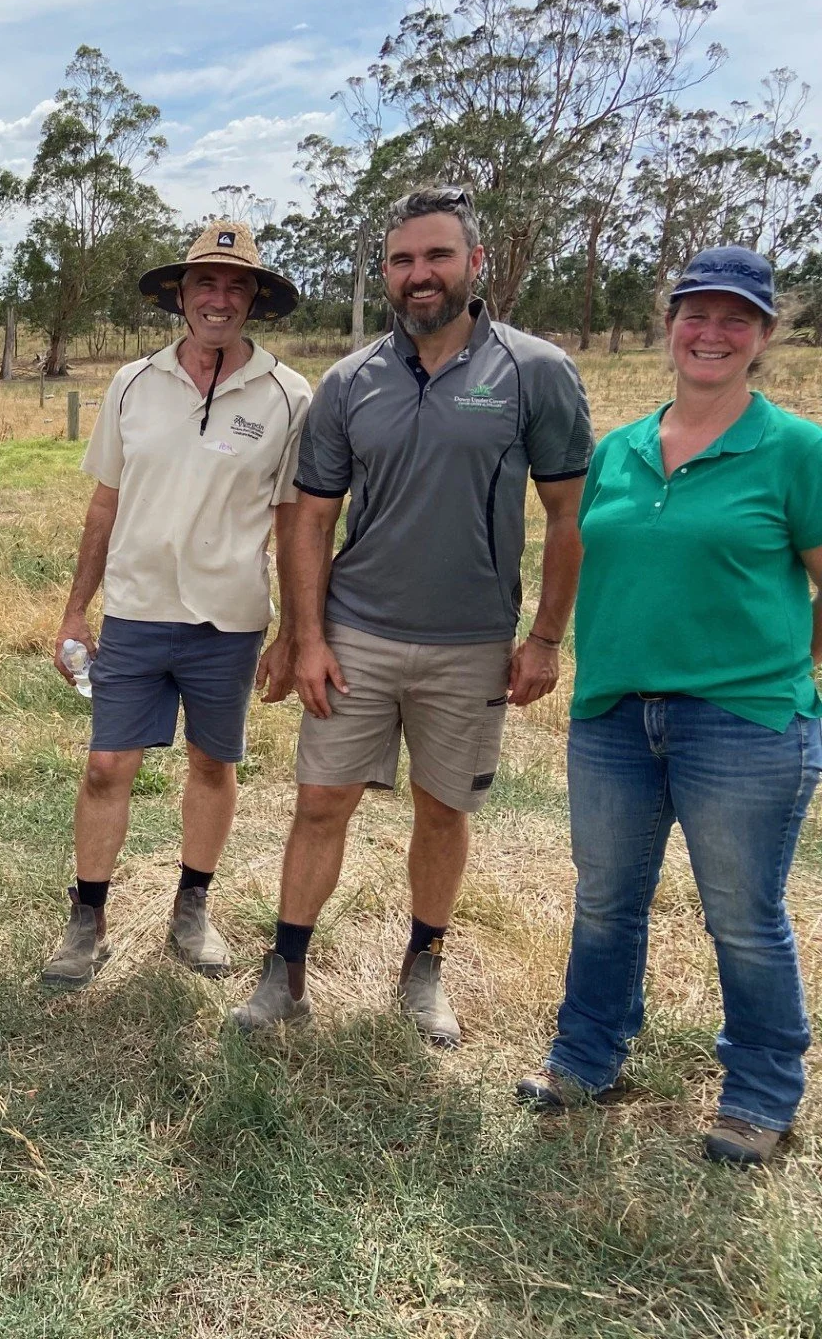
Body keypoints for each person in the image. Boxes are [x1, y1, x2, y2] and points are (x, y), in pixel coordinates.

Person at [232, 186, 594, 1045]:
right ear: (385, 274)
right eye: (401, 260)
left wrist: (544, 638)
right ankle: (286, 974)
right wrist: (307, 636)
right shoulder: (352, 381)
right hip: (355, 636)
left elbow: (570, 513)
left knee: (443, 812)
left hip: (471, 645)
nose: (418, 274)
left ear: (475, 264)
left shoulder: (534, 372)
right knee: (320, 804)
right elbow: (312, 517)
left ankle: (422, 969)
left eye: (436, 256)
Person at [517, 248, 822, 1165]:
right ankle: (587, 1055)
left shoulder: (794, 448)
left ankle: (761, 1094)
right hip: (613, 716)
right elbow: (575, 551)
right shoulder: (619, 448)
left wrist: (793, 681)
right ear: (670, 324)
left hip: (744, 723)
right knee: (608, 901)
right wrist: (545, 640)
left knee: (741, 912)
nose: (712, 334)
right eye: (697, 314)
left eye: (737, 319)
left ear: (765, 335)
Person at [40, 221, 311, 989]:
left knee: (213, 764)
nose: (218, 299)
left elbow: (294, 522)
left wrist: (293, 630)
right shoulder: (133, 383)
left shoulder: (289, 396)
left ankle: (193, 907)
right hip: (135, 609)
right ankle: (86, 918)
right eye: (205, 284)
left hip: (229, 618)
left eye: (235, 285)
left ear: (253, 298)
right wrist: (74, 611)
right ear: (181, 296)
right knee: (105, 766)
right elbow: (104, 505)